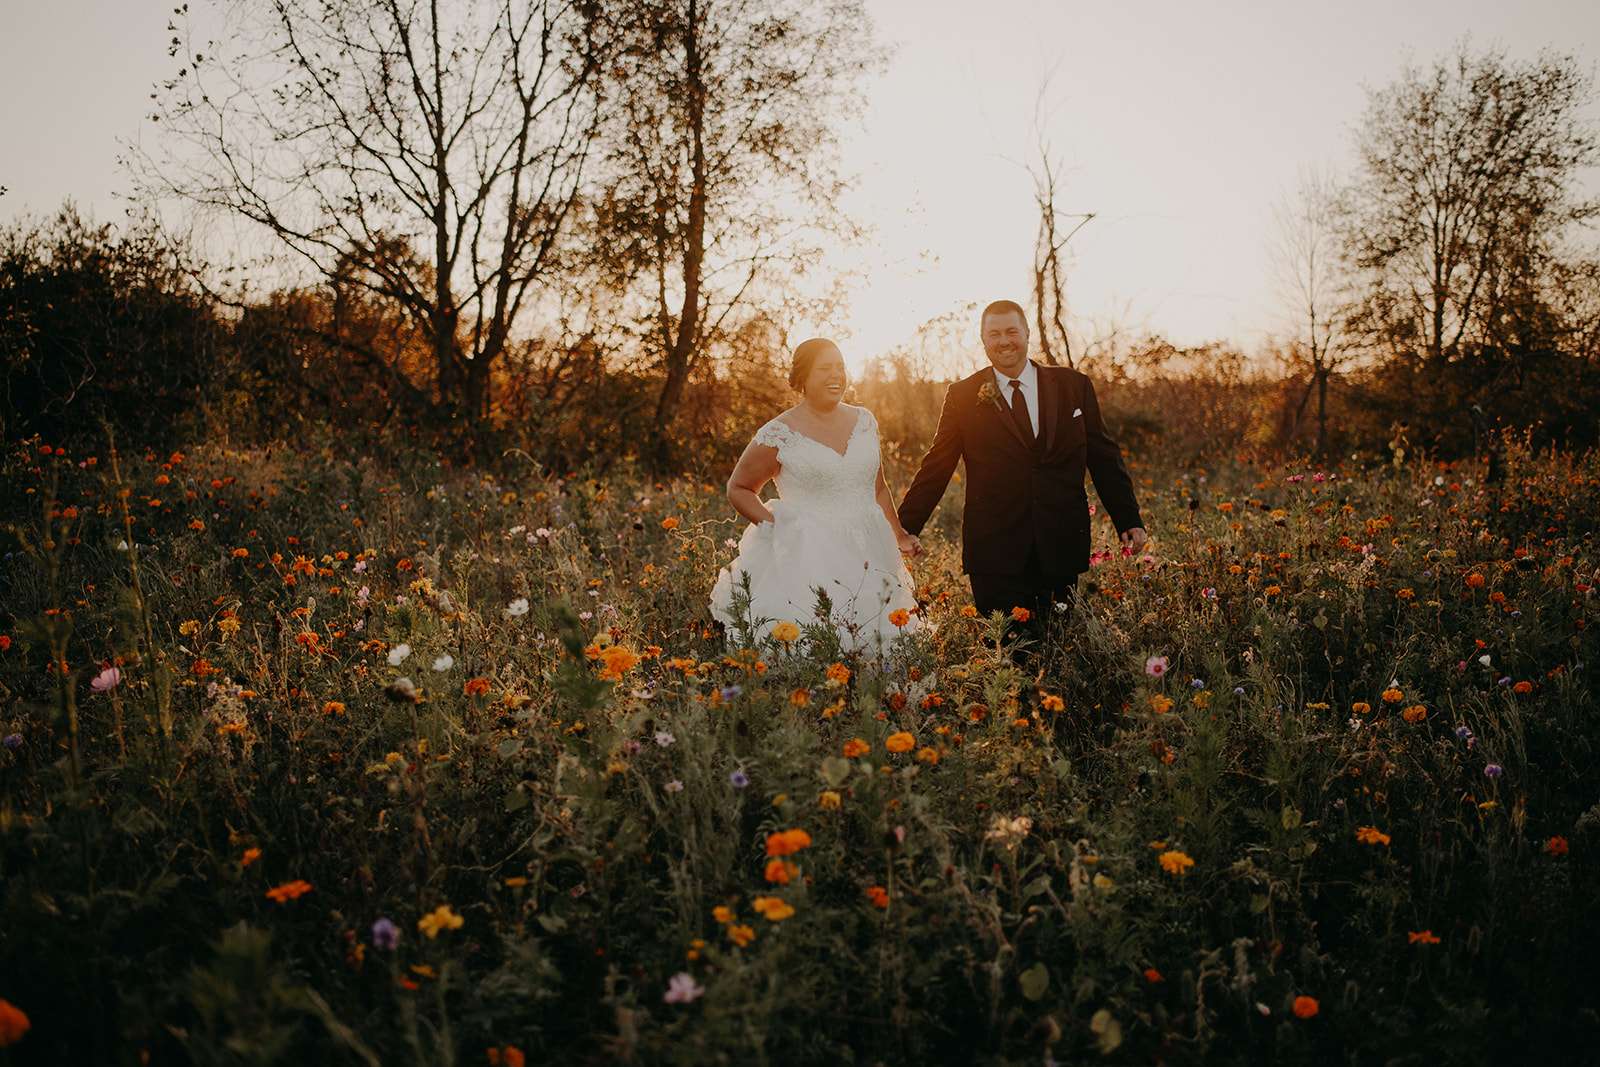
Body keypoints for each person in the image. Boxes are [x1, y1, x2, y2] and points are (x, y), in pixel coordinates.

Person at [896, 299, 1146, 637]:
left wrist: (1128, 518)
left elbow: (1103, 456)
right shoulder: (963, 395)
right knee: (1007, 654)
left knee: (1057, 649)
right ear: (983, 340)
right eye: (994, 334)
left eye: (1012, 331)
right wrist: (904, 528)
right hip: (994, 551)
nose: (1004, 341)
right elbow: (937, 466)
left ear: (1027, 333)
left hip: (1059, 541)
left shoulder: (1074, 386)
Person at [709, 338, 921, 652]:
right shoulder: (779, 433)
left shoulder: (864, 421)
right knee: (820, 644)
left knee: (880, 642)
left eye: (840, 367)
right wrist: (777, 527)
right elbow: (738, 488)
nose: (836, 375)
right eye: (824, 368)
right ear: (803, 378)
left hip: (870, 550)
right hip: (809, 555)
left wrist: (900, 535)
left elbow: (876, 488)